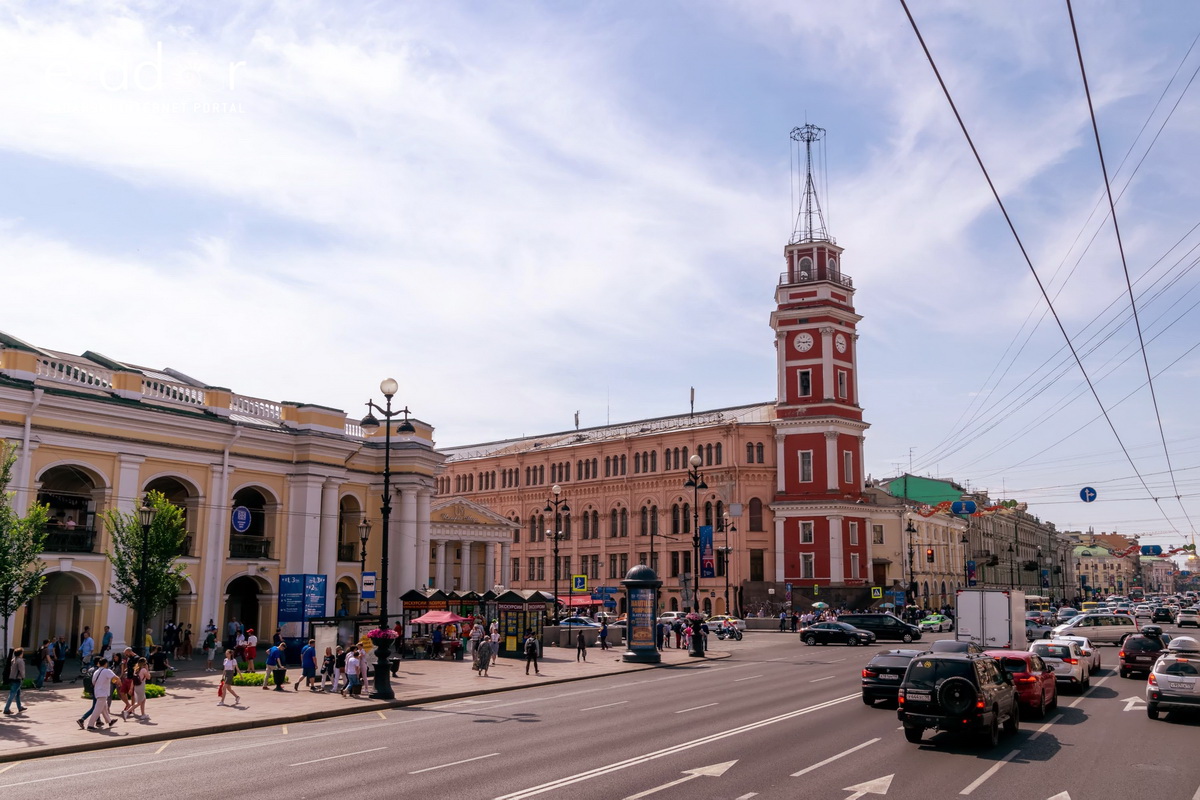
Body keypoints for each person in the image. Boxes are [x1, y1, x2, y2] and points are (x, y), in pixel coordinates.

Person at [83, 657, 118, 731]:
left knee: (104, 708)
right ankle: (90, 725)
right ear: (106, 664)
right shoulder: (107, 671)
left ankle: (109, 721)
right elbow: (115, 678)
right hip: (103, 693)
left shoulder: (96, 671)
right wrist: (119, 681)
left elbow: (93, 682)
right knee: (97, 710)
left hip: (97, 692)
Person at [3, 648, 26, 715]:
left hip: (12, 678)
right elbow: (22, 671)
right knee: (12, 694)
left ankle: (20, 707)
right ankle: (6, 709)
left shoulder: (13, 659)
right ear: (21, 654)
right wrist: (23, 677)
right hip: (17, 679)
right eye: (22, 653)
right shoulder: (20, 661)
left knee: (18, 694)